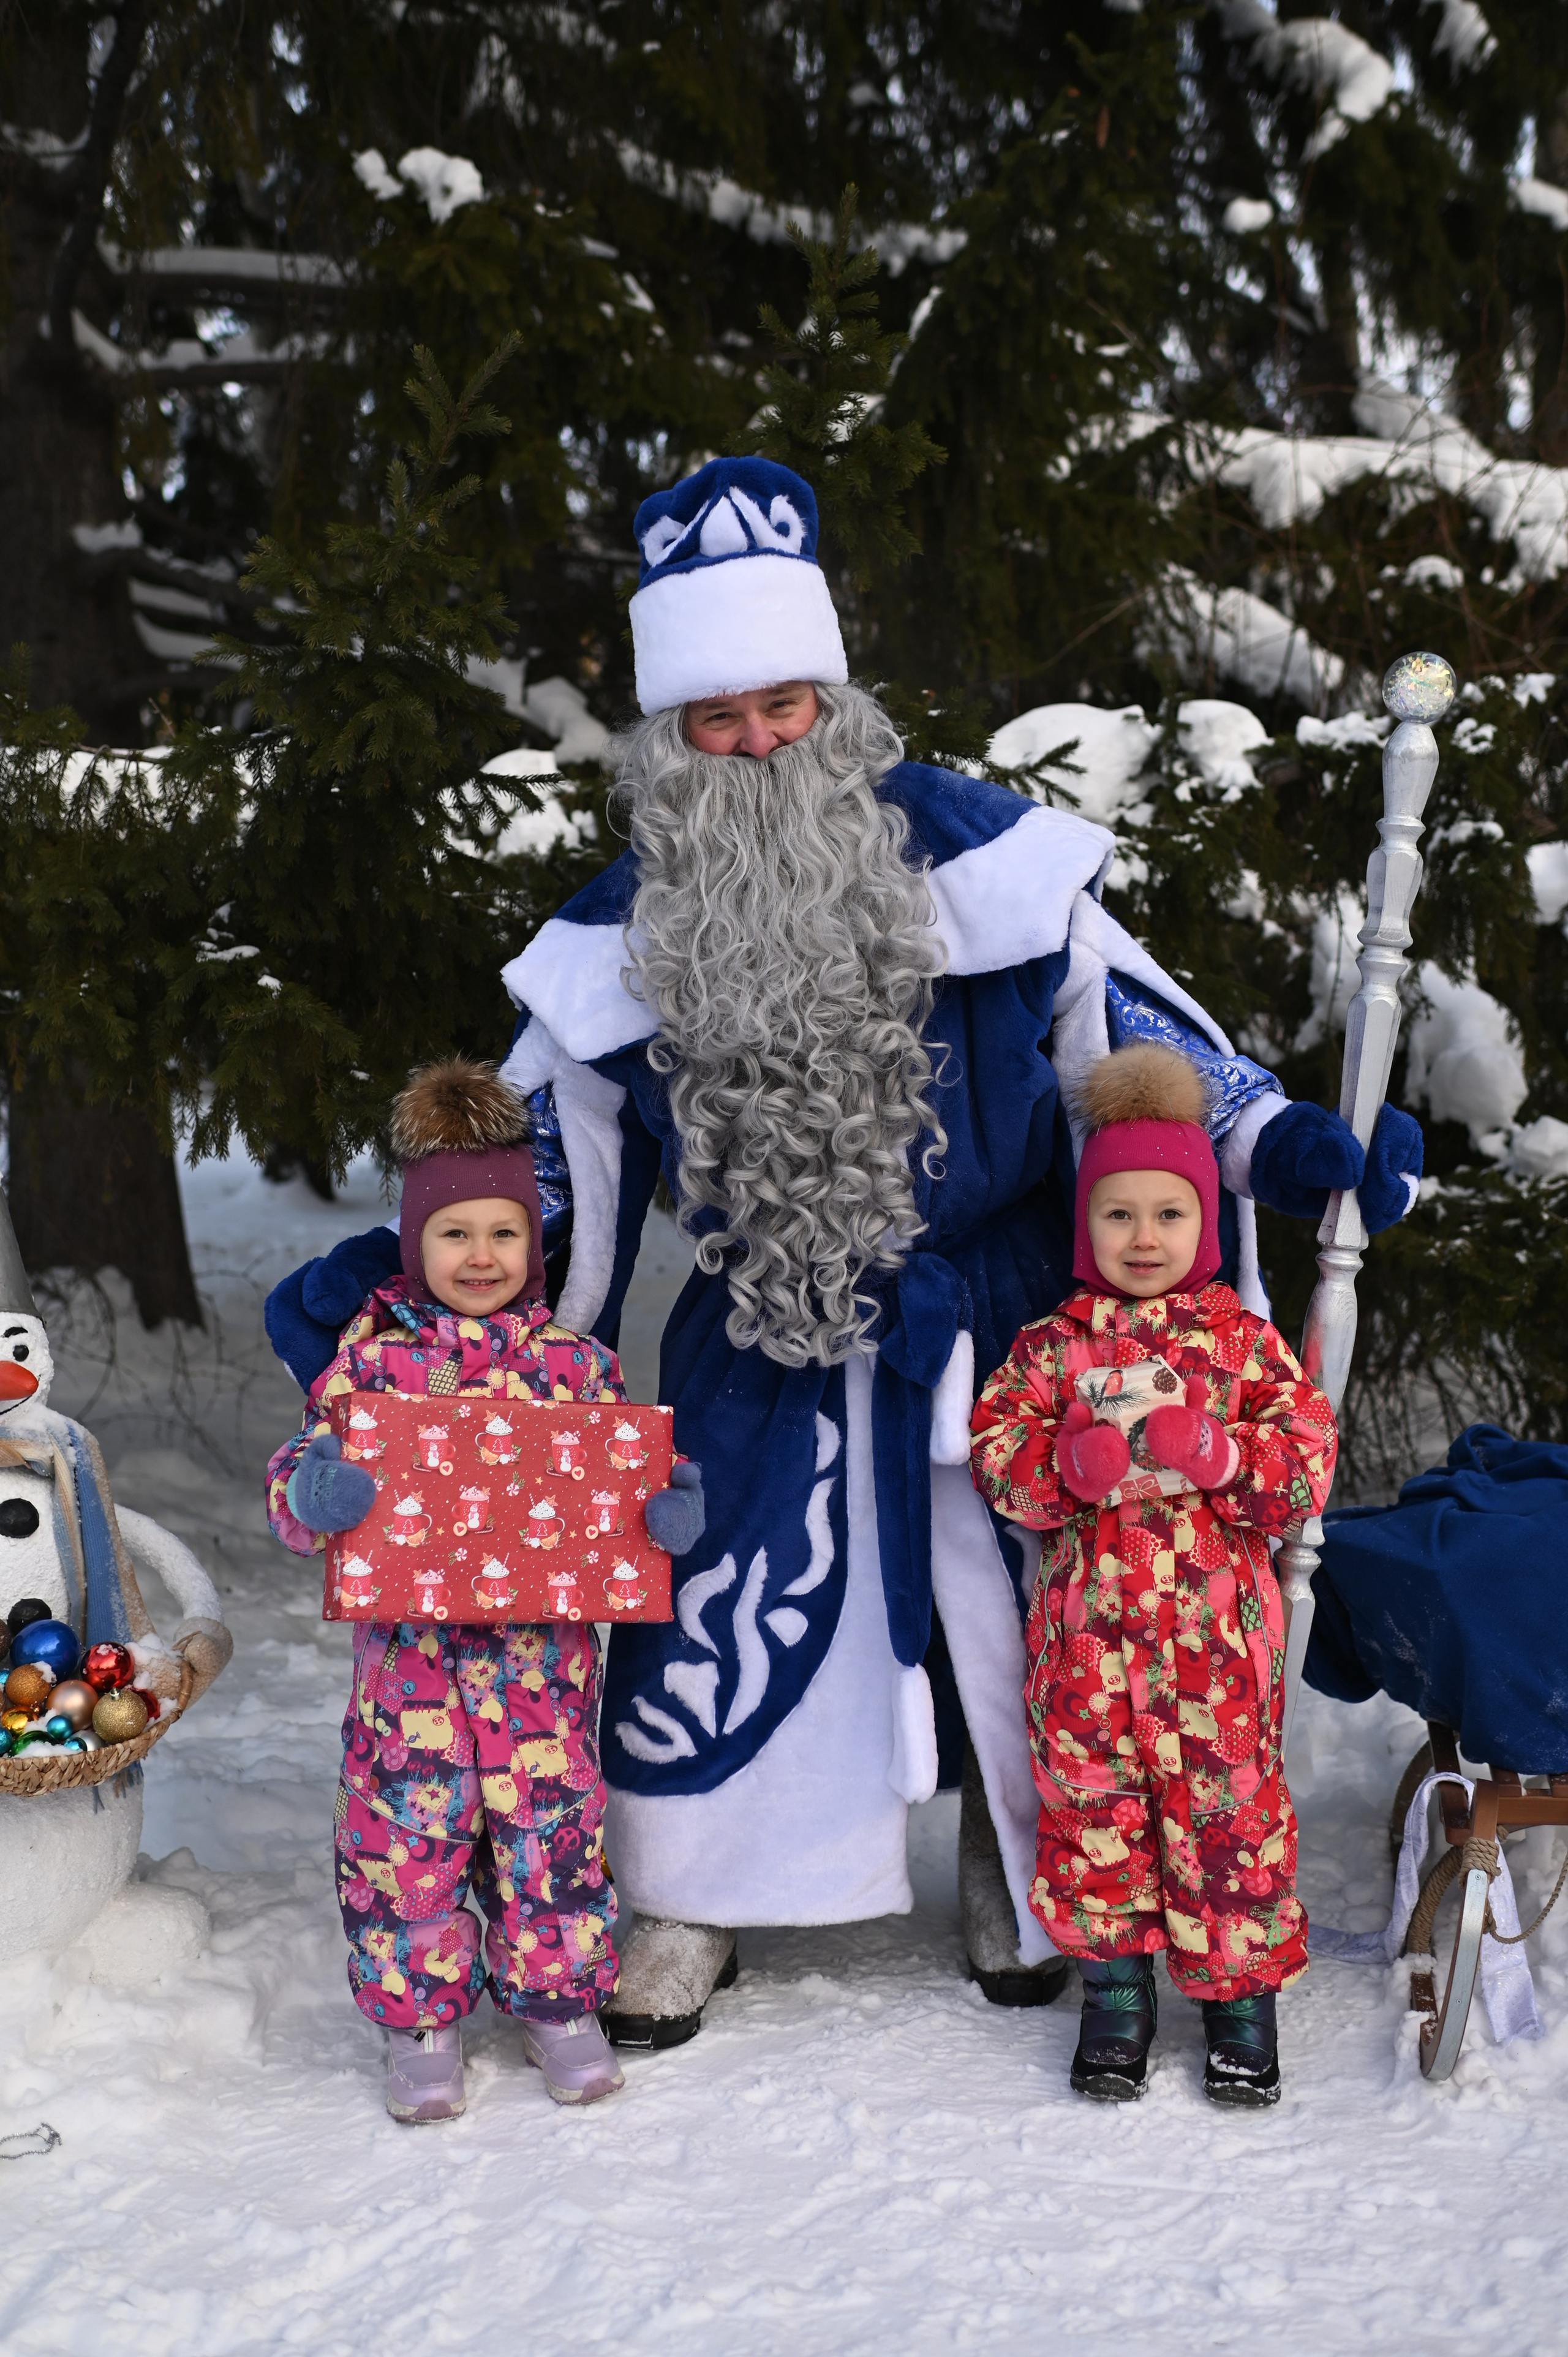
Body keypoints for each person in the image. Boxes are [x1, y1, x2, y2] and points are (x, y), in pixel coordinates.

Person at [265, 453, 1419, 2049]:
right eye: (715, 720)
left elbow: (1134, 1050)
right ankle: (700, 1888)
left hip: (1001, 1313)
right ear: (671, 736)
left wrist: (1272, 1140)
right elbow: (537, 1151)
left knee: (1033, 1598)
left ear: (833, 690)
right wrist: (384, 1280)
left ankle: (1016, 1854)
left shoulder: (991, 865)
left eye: (782, 706)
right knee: (720, 1578)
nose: (754, 744)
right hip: (767, 1322)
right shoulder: (626, 932)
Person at [265, 1058, 705, 2119]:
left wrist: (660, 1510)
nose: (481, 1255)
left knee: (550, 1839)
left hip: (540, 1682)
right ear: (417, 1242)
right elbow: (298, 1480)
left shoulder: (574, 1371)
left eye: (504, 1232)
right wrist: (315, 1492)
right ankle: (420, 2025)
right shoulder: (369, 1369)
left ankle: (560, 2006)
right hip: (408, 1683)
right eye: (455, 1232)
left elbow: (621, 1491)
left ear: (534, 1245)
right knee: (402, 1846)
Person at [970, 1043, 1337, 2105]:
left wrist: (1222, 1457)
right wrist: (1064, 1468)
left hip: (1216, 1651)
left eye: (1169, 1213)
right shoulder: (1053, 1349)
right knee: (1095, 1816)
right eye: (1119, 1214)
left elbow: (1304, 1458)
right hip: (1087, 1650)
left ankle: (1238, 2001)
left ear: (1204, 1226)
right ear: (1087, 1227)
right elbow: (998, 1453)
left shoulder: (1243, 1349)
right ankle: (1116, 1995)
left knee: (1229, 1819)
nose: (1144, 1237)